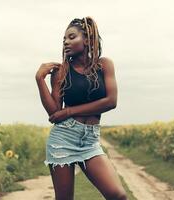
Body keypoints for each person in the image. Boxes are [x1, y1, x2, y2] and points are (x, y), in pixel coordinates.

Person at [35, 16, 127, 200]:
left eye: (71, 37)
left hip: (90, 141)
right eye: (64, 40)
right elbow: (54, 113)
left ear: (87, 39)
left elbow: (111, 101)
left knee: (118, 195)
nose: (66, 42)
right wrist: (39, 80)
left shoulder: (104, 65)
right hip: (63, 139)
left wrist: (69, 111)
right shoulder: (61, 71)